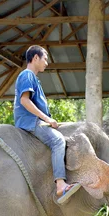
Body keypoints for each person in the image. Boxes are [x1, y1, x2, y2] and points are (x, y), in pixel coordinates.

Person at [13, 45, 80, 204]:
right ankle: (61, 185)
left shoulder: (33, 78)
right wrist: (47, 119)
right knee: (58, 141)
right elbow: (24, 100)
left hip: (35, 121)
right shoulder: (27, 75)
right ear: (35, 58)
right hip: (30, 121)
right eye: (45, 58)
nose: (47, 63)